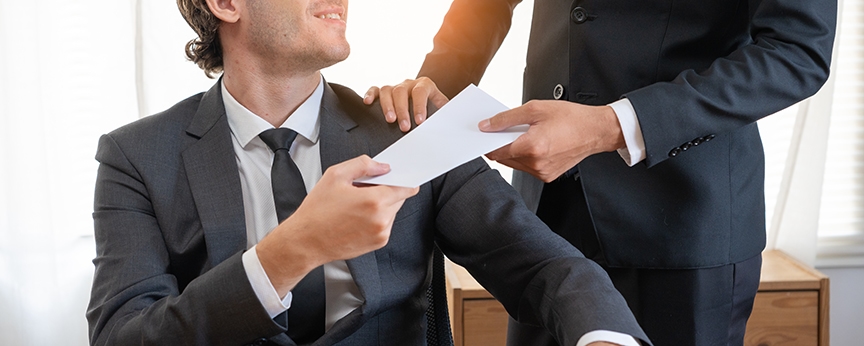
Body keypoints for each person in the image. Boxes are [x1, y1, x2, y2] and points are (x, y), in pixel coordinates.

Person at [85, 0, 651, 345]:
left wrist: (604, 338)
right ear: (227, 3)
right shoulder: (135, 158)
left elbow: (544, 267)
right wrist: (290, 252)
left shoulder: (407, 132)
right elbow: (122, 338)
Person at [366, 0, 837, 345]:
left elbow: (797, 52)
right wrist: (430, 105)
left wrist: (612, 126)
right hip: (544, 223)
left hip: (681, 227)